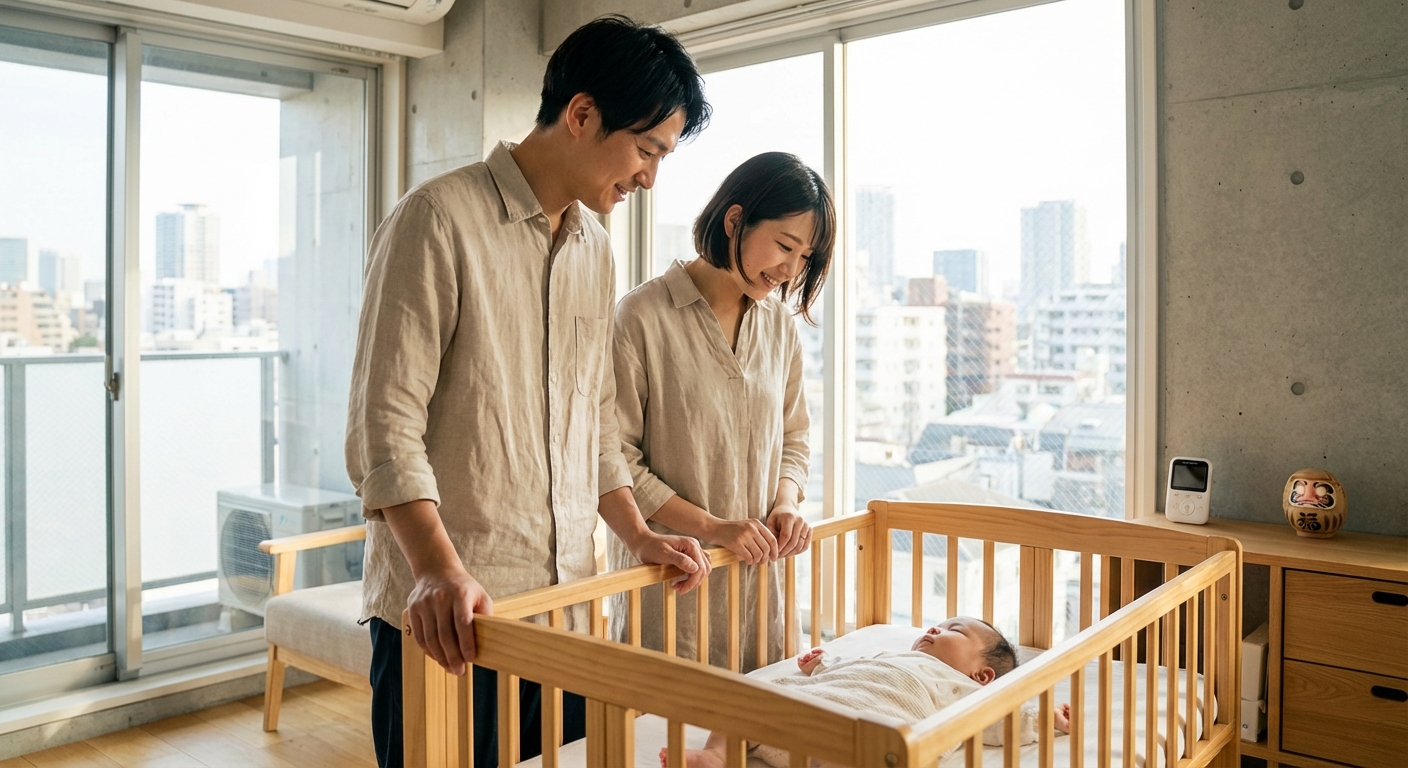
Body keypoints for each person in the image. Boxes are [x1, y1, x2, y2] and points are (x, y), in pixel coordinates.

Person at [344, 16, 713, 768]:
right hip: (452, 615)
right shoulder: (437, 218)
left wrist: (638, 535)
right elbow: (384, 425)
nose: (650, 177)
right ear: (581, 115)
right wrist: (438, 569)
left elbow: (591, 428)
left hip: (568, 611)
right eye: (647, 150)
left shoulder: (595, 251)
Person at [608, 152, 836, 672]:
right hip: (675, 579)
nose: (790, 270)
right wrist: (714, 527)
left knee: (763, 738)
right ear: (735, 220)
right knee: (661, 739)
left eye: (805, 258)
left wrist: (786, 503)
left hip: (763, 584)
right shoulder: (642, 316)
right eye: (784, 245)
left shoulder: (779, 326)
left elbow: (794, 438)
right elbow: (617, 459)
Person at [674, 617, 1070, 768]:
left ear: (981, 675)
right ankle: (716, 755)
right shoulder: (886, 655)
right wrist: (820, 666)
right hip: (801, 716)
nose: (932, 630)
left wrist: (1044, 719)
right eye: (935, 625)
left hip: (861, 738)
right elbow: (853, 670)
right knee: (748, 699)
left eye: (954, 630)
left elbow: (997, 719)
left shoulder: (964, 690)